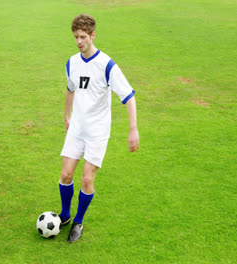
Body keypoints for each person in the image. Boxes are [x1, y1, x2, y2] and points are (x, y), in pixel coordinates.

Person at [59, 14, 139, 243]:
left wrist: (133, 129)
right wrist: (67, 115)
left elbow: (129, 97)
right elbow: (70, 89)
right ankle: (64, 215)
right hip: (76, 128)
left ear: (93, 35)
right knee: (65, 175)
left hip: (97, 133)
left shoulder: (107, 65)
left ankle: (78, 221)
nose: (78, 41)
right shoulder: (72, 62)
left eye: (83, 37)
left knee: (86, 180)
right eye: (75, 37)